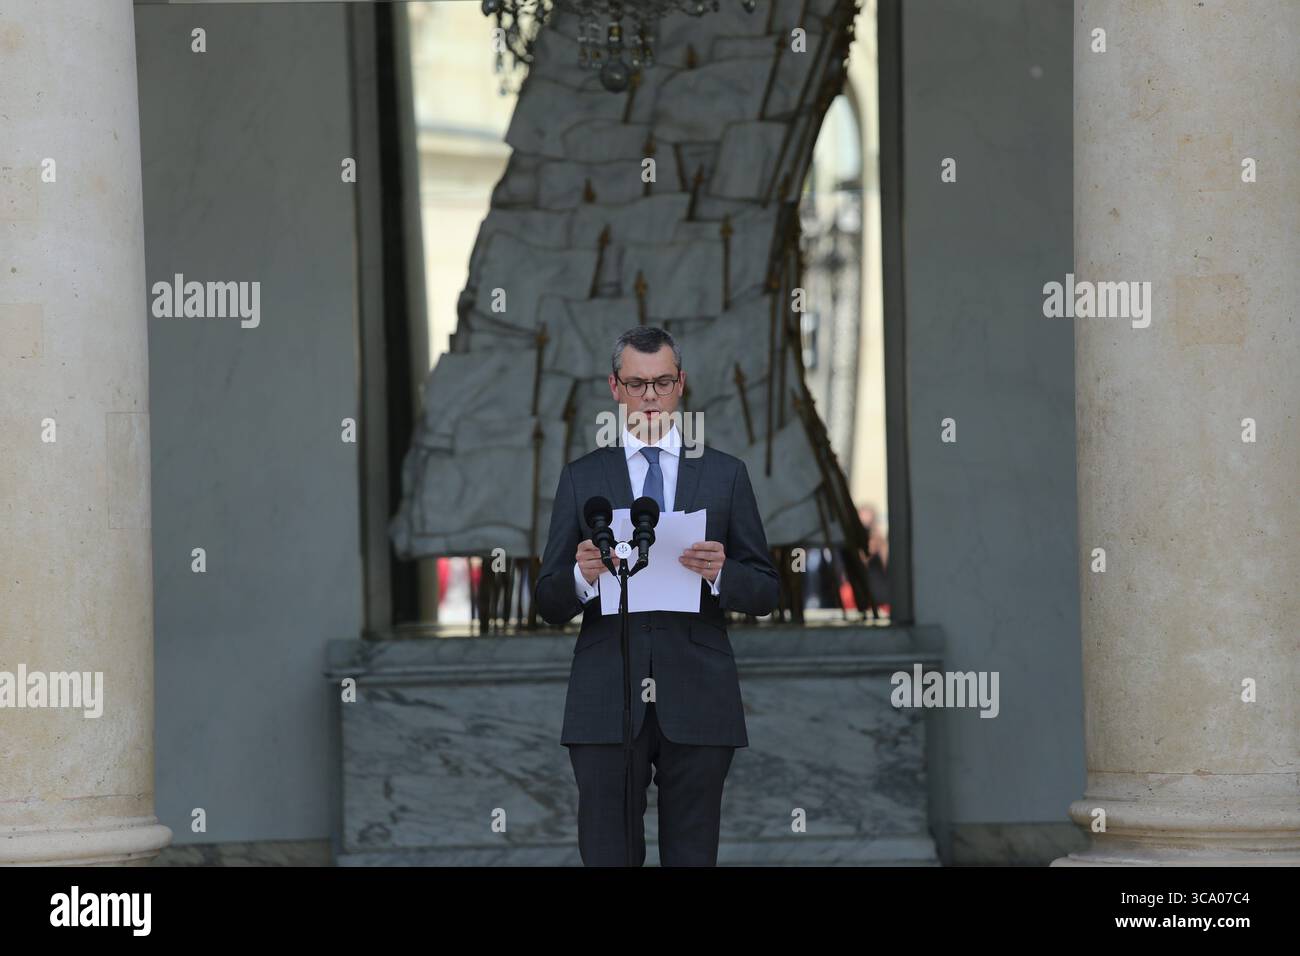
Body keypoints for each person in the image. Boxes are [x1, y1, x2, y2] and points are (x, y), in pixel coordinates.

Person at [534, 326, 780, 866]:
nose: (650, 396)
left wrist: (721, 573)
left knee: (693, 856)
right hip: (605, 699)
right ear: (615, 388)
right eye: (638, 383)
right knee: (607, 856)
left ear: (681, 385)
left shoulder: (724, 475)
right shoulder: (581, 478)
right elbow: (548, 601)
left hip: (698, 693)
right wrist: (583, 577)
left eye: (662, 382)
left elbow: (766, 590)